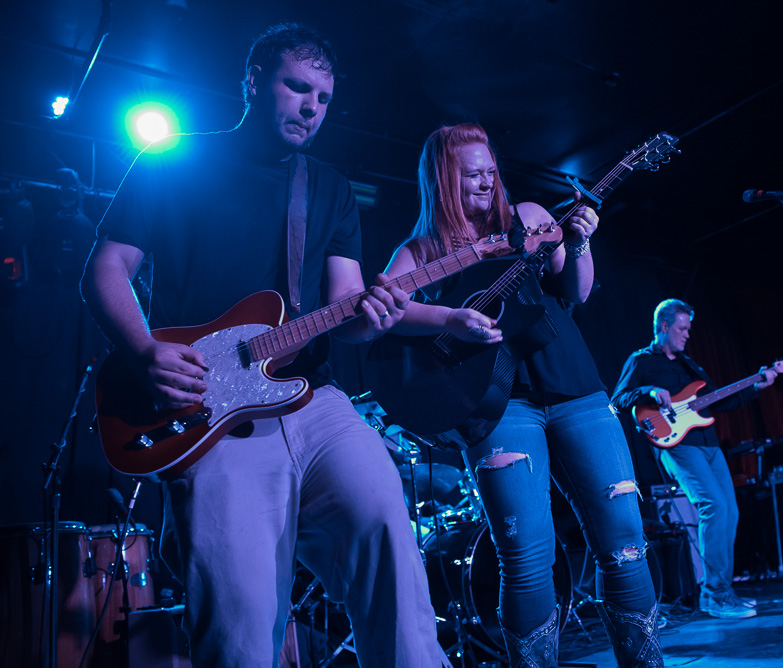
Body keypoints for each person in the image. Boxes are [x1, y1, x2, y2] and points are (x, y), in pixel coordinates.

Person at [81, 23, 441, 667]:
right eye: (297, 88)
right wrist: (144, 350)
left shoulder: (328, 186)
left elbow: (346, 306)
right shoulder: (171, 161)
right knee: (239, 623)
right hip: (209, 411)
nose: (311, 108)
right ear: (253, 82)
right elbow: (106, 268)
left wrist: (375, 316)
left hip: (314, 400)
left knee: (387, 530)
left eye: (324, 98)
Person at [383, 123, 664, 668]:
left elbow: (577, 290)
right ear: (442, 179)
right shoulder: (421, 249)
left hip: (575, 386)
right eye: (472, 175)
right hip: (496, 403)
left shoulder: (529, 217)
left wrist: (579, 242)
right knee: (526, 556)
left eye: (491, 171)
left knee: (625, 542)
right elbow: (385, 309)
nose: (487, 182)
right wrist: (450, 318)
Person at [611, 299, 776, 620]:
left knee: (729, 510)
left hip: (708, 443)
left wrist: (757, 385)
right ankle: (715, 595)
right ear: (664, 326)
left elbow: (721, 401)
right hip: (677, 445)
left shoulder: (690, 365)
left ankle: (722, 592)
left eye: (689, 329)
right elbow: (618, 399)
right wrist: (649, 390)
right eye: (682, 328)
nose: (688, 334)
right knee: (713, 506)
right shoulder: (641, 360)